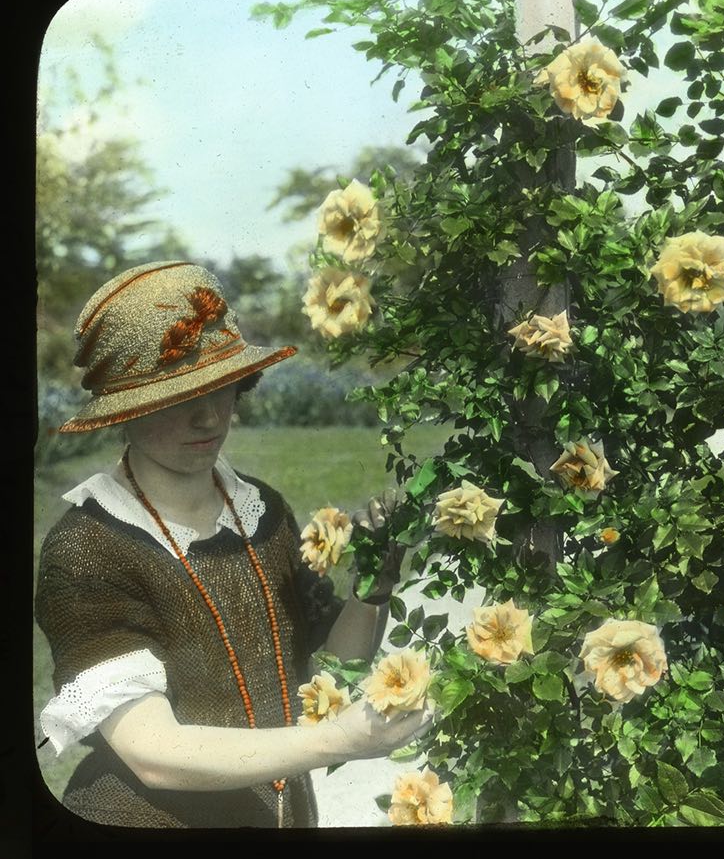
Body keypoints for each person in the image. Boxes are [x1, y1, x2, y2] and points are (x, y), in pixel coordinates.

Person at [34, 260, 431, 828]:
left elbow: (335, 663)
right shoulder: (89, 548)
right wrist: (338, 740)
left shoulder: (262, 510)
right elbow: (155, 755)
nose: (208, 415)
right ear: (125, 413)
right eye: (176, 398)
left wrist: (373, 584)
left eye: (221, 388)